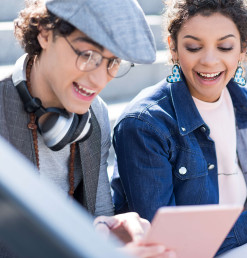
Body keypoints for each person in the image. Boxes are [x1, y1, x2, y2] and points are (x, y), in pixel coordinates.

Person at [111, 0, 247, 257]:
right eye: (193, 47)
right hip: (187, 252)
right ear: (173, 48)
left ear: (242, 49)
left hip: (243, 238)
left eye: (225, 46)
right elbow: (162, 242)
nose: (209, 60)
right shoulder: (145, 123)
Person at [0, 0, 174, 257]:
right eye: (87, 55)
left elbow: (99, 212)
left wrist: (111, 233)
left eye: (113, 61)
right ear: (46, 33)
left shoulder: (97, 113)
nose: (99, 79)